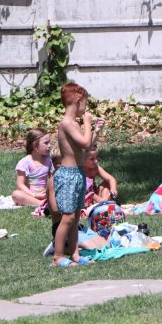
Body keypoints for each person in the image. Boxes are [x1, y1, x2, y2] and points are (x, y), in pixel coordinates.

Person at [51, 82, 104, 267]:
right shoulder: (67, 123)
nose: (86, 109)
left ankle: (74, 253)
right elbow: (83, 142)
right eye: (85, 104)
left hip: (78, 174)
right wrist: (88, 123)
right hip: (68, 175)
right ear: (78, 101)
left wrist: (95, 131)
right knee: (67, 217)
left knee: (75, 216)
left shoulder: (74, 123)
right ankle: (58, 256)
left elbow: (87, 146)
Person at [13, 128, 54, 207]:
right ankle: (42, 205)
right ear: (35, 146)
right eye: (46, 143)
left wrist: (49, 193)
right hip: (30, 195)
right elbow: (20, 185)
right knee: (16, 194)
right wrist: (34, 195)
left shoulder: (49, 160)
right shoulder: (25, 163)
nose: (50, 145)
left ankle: (44, 203)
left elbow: (52, 179)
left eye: (49, 142)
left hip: (45, 194)